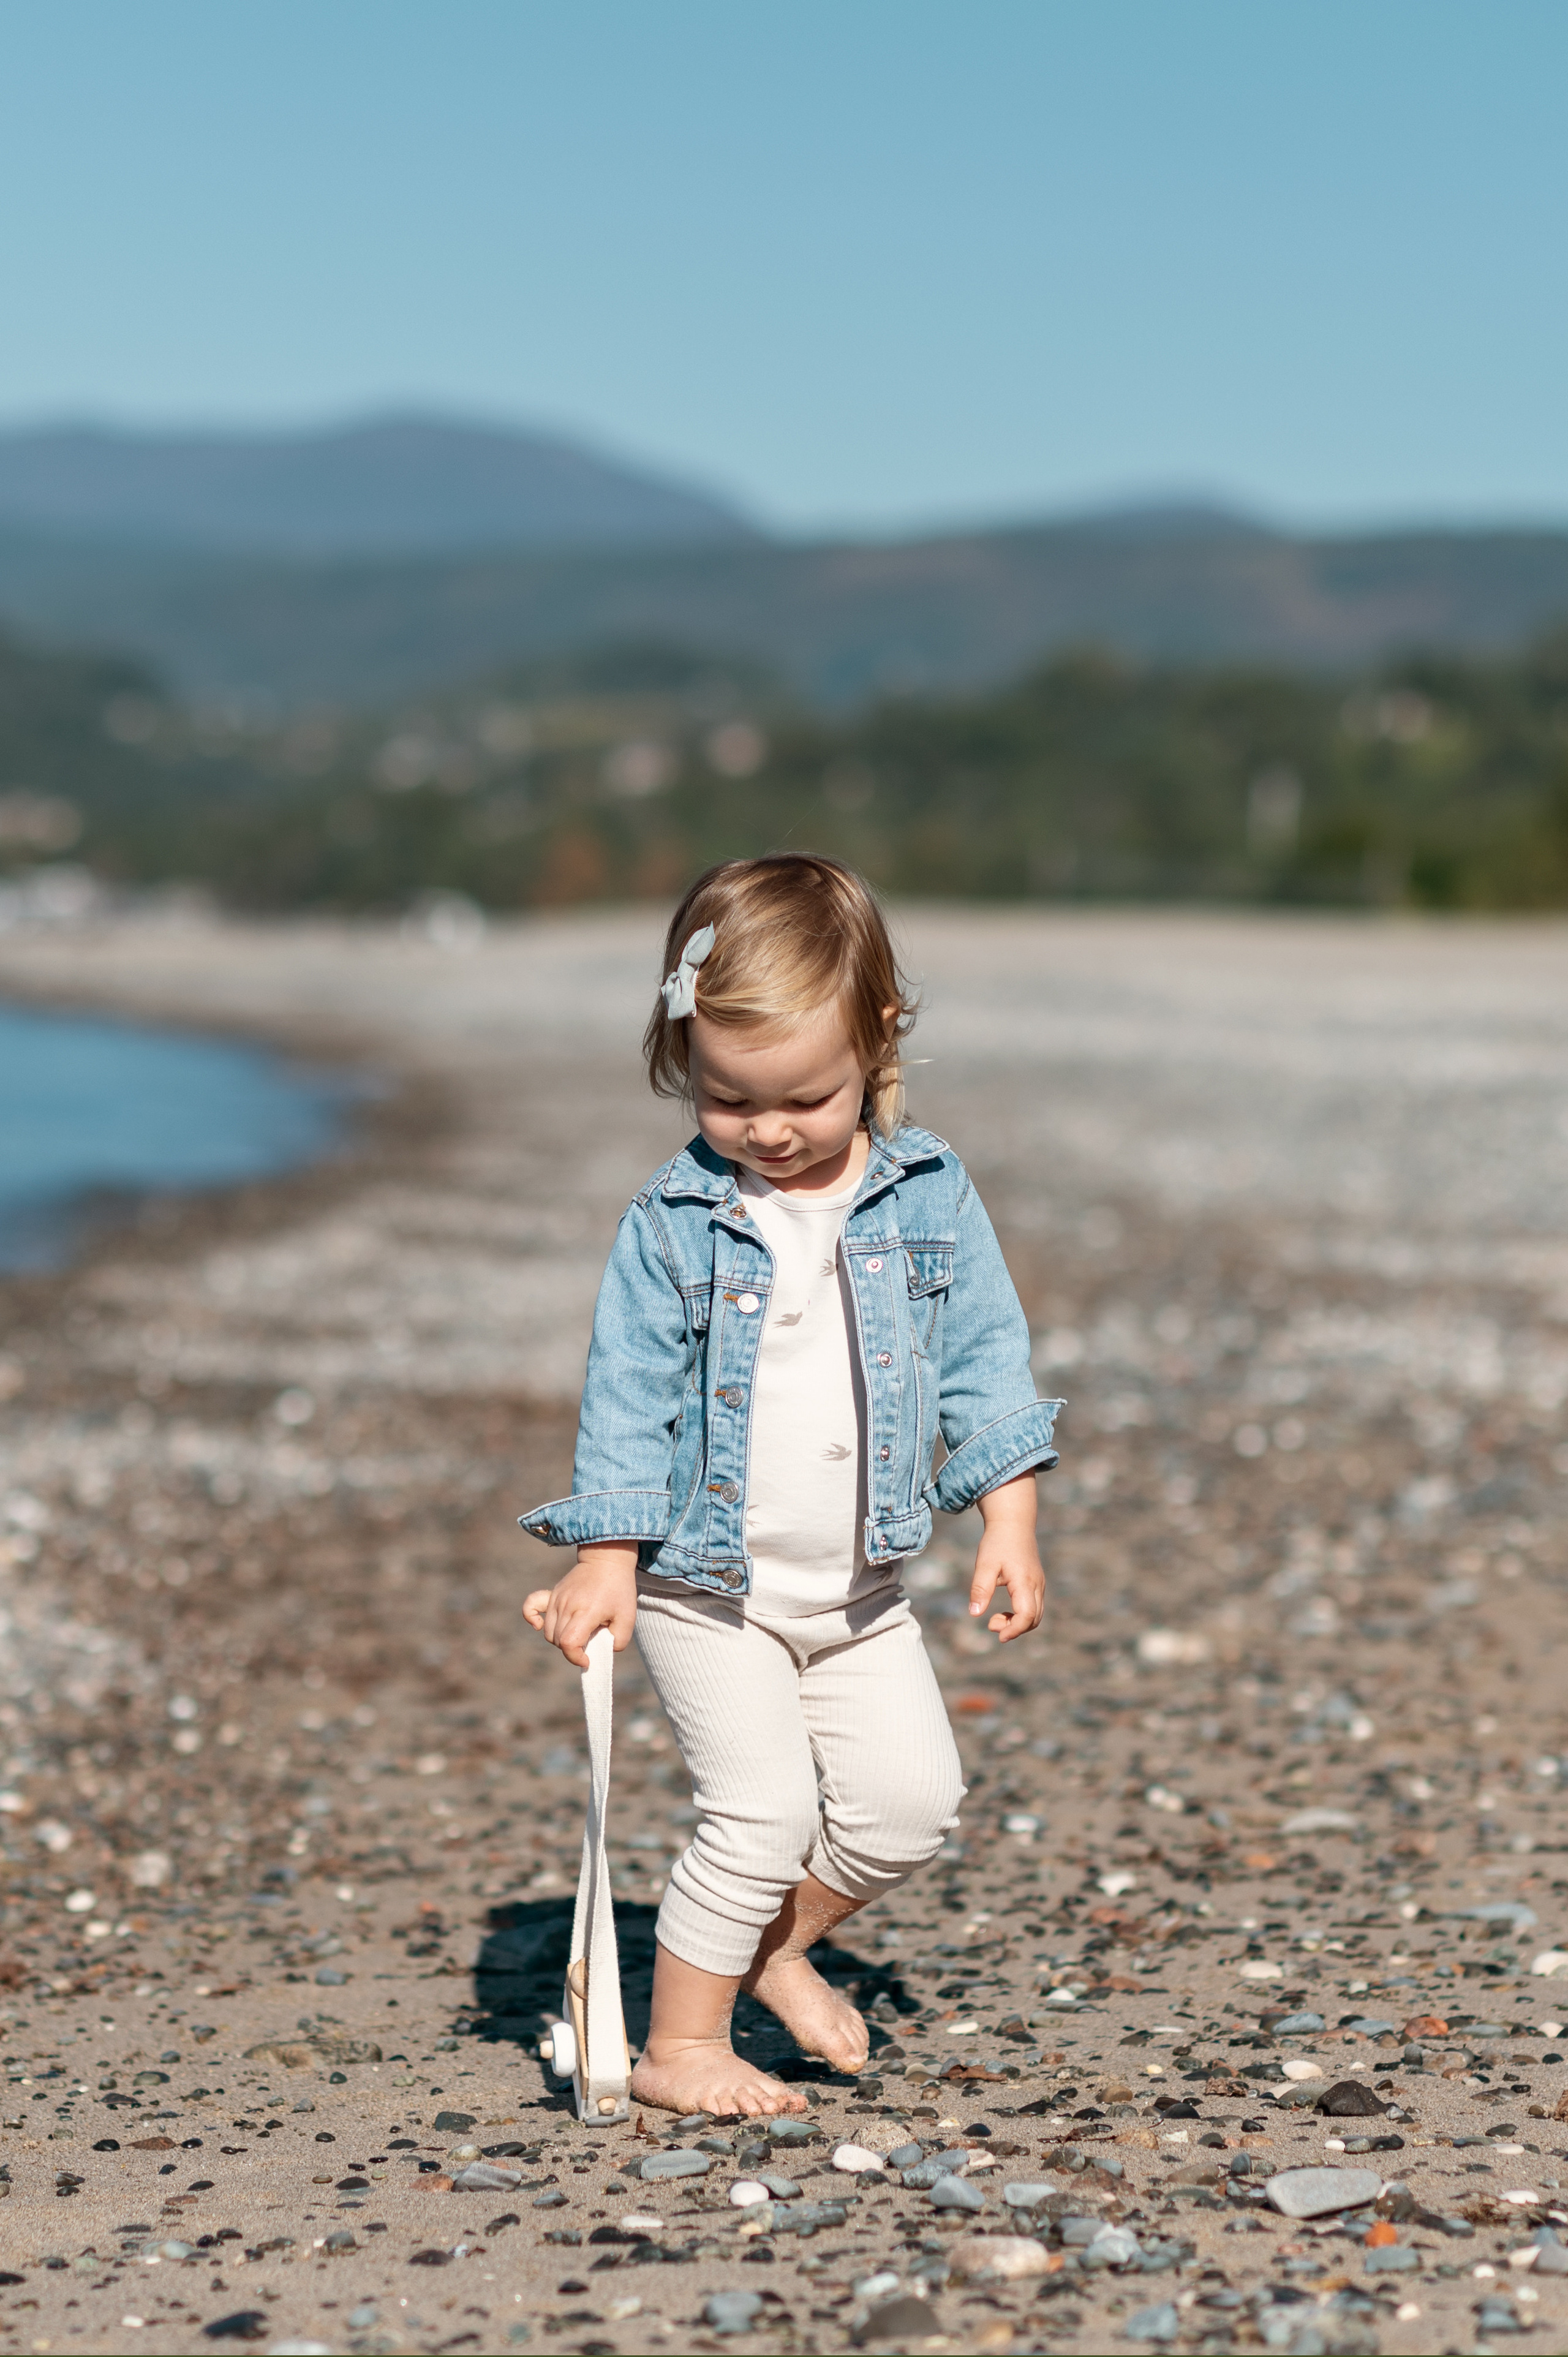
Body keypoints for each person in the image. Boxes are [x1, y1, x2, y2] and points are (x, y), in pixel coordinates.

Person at [521, 854, 1062, 2117]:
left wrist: (1011, 1518)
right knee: (756, 1807)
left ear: (877, 1038)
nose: (765, 1128)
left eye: (802, 1097)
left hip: (860, 1586)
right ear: (682, 1059)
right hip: (710, 1587)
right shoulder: (674, 1219)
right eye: (725, 1098)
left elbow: (988, 1358)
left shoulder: (928, 1197)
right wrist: (605, 1556)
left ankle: (760, 1946)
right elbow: (627, 1393)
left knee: (909, 1807)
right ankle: (680, 2043)